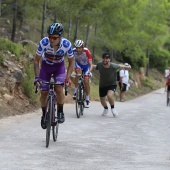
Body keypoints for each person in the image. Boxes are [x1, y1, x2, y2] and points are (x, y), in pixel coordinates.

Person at [34, 23, 74, 129]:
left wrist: (67, 78)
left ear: (60, 37)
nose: (51, 40)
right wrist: (37, 77)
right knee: (43, 92)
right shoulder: (44, 42)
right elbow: (36, 61)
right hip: (45, 67)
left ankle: (60, 111)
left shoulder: (67, 44)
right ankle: (44, 115)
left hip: (59, 68)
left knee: (59, 88)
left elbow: (71, 62)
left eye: (54, 38)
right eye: (50, 37)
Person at [93, 52, 131, 117]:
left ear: (109, 59)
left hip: (112, 84)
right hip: (102, 85)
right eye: (104, 58)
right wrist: (88, 65)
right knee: (102, 99)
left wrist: (127, 66)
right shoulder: (100, 64)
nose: (105, 60)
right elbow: (95, 66)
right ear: (102, 59)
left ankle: (113, 109)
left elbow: (120, 65)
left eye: (107, 58)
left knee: (109, 95)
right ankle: (105, 108)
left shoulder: (113, 66)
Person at [72, 40, 93, 108]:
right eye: (77, 48)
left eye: (80, 48)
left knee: (86, 81)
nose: (78, 50)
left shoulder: (86, 51)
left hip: (86, 67)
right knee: (78, 74)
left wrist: (89, 71)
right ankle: (75, 91)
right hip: (78, 65)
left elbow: (91, 64)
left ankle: (87, 98)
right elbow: (70, 62)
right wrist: (72, 70)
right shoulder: (73, 51)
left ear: (83, 47)